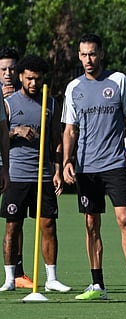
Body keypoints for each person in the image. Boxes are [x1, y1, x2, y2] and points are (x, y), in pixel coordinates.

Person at [62, 34, 126, 300]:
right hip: (86, 167)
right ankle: (97, 284)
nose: (88, 59)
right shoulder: (73, 87)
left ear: (101, 54)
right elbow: (70, 129)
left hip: (114, 163)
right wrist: (66, 161)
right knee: (91, 224)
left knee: (124, 220)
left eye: (92, 54)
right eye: (83, 54)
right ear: (79, 56)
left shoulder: (118, 81)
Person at [0, 54, 71, 292]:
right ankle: (10, 278)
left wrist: (58, 169)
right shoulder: (9, 103)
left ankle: (51, 278)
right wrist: (15, 132)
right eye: (29, 78)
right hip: (17, 176)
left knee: (48, 225)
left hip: (43, 176)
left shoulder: (50, 103)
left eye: (37, 79)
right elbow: (1, 138)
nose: (33, 83)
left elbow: (56, 141)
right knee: (13, 226)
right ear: (21, 77)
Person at [0, 47, 33, 289]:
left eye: (12, 68)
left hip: (11, 166)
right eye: (4, 69)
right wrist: (15, 131)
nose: (8, 73)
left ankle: (18, 271)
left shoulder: (22, 96)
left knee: (15, 220)